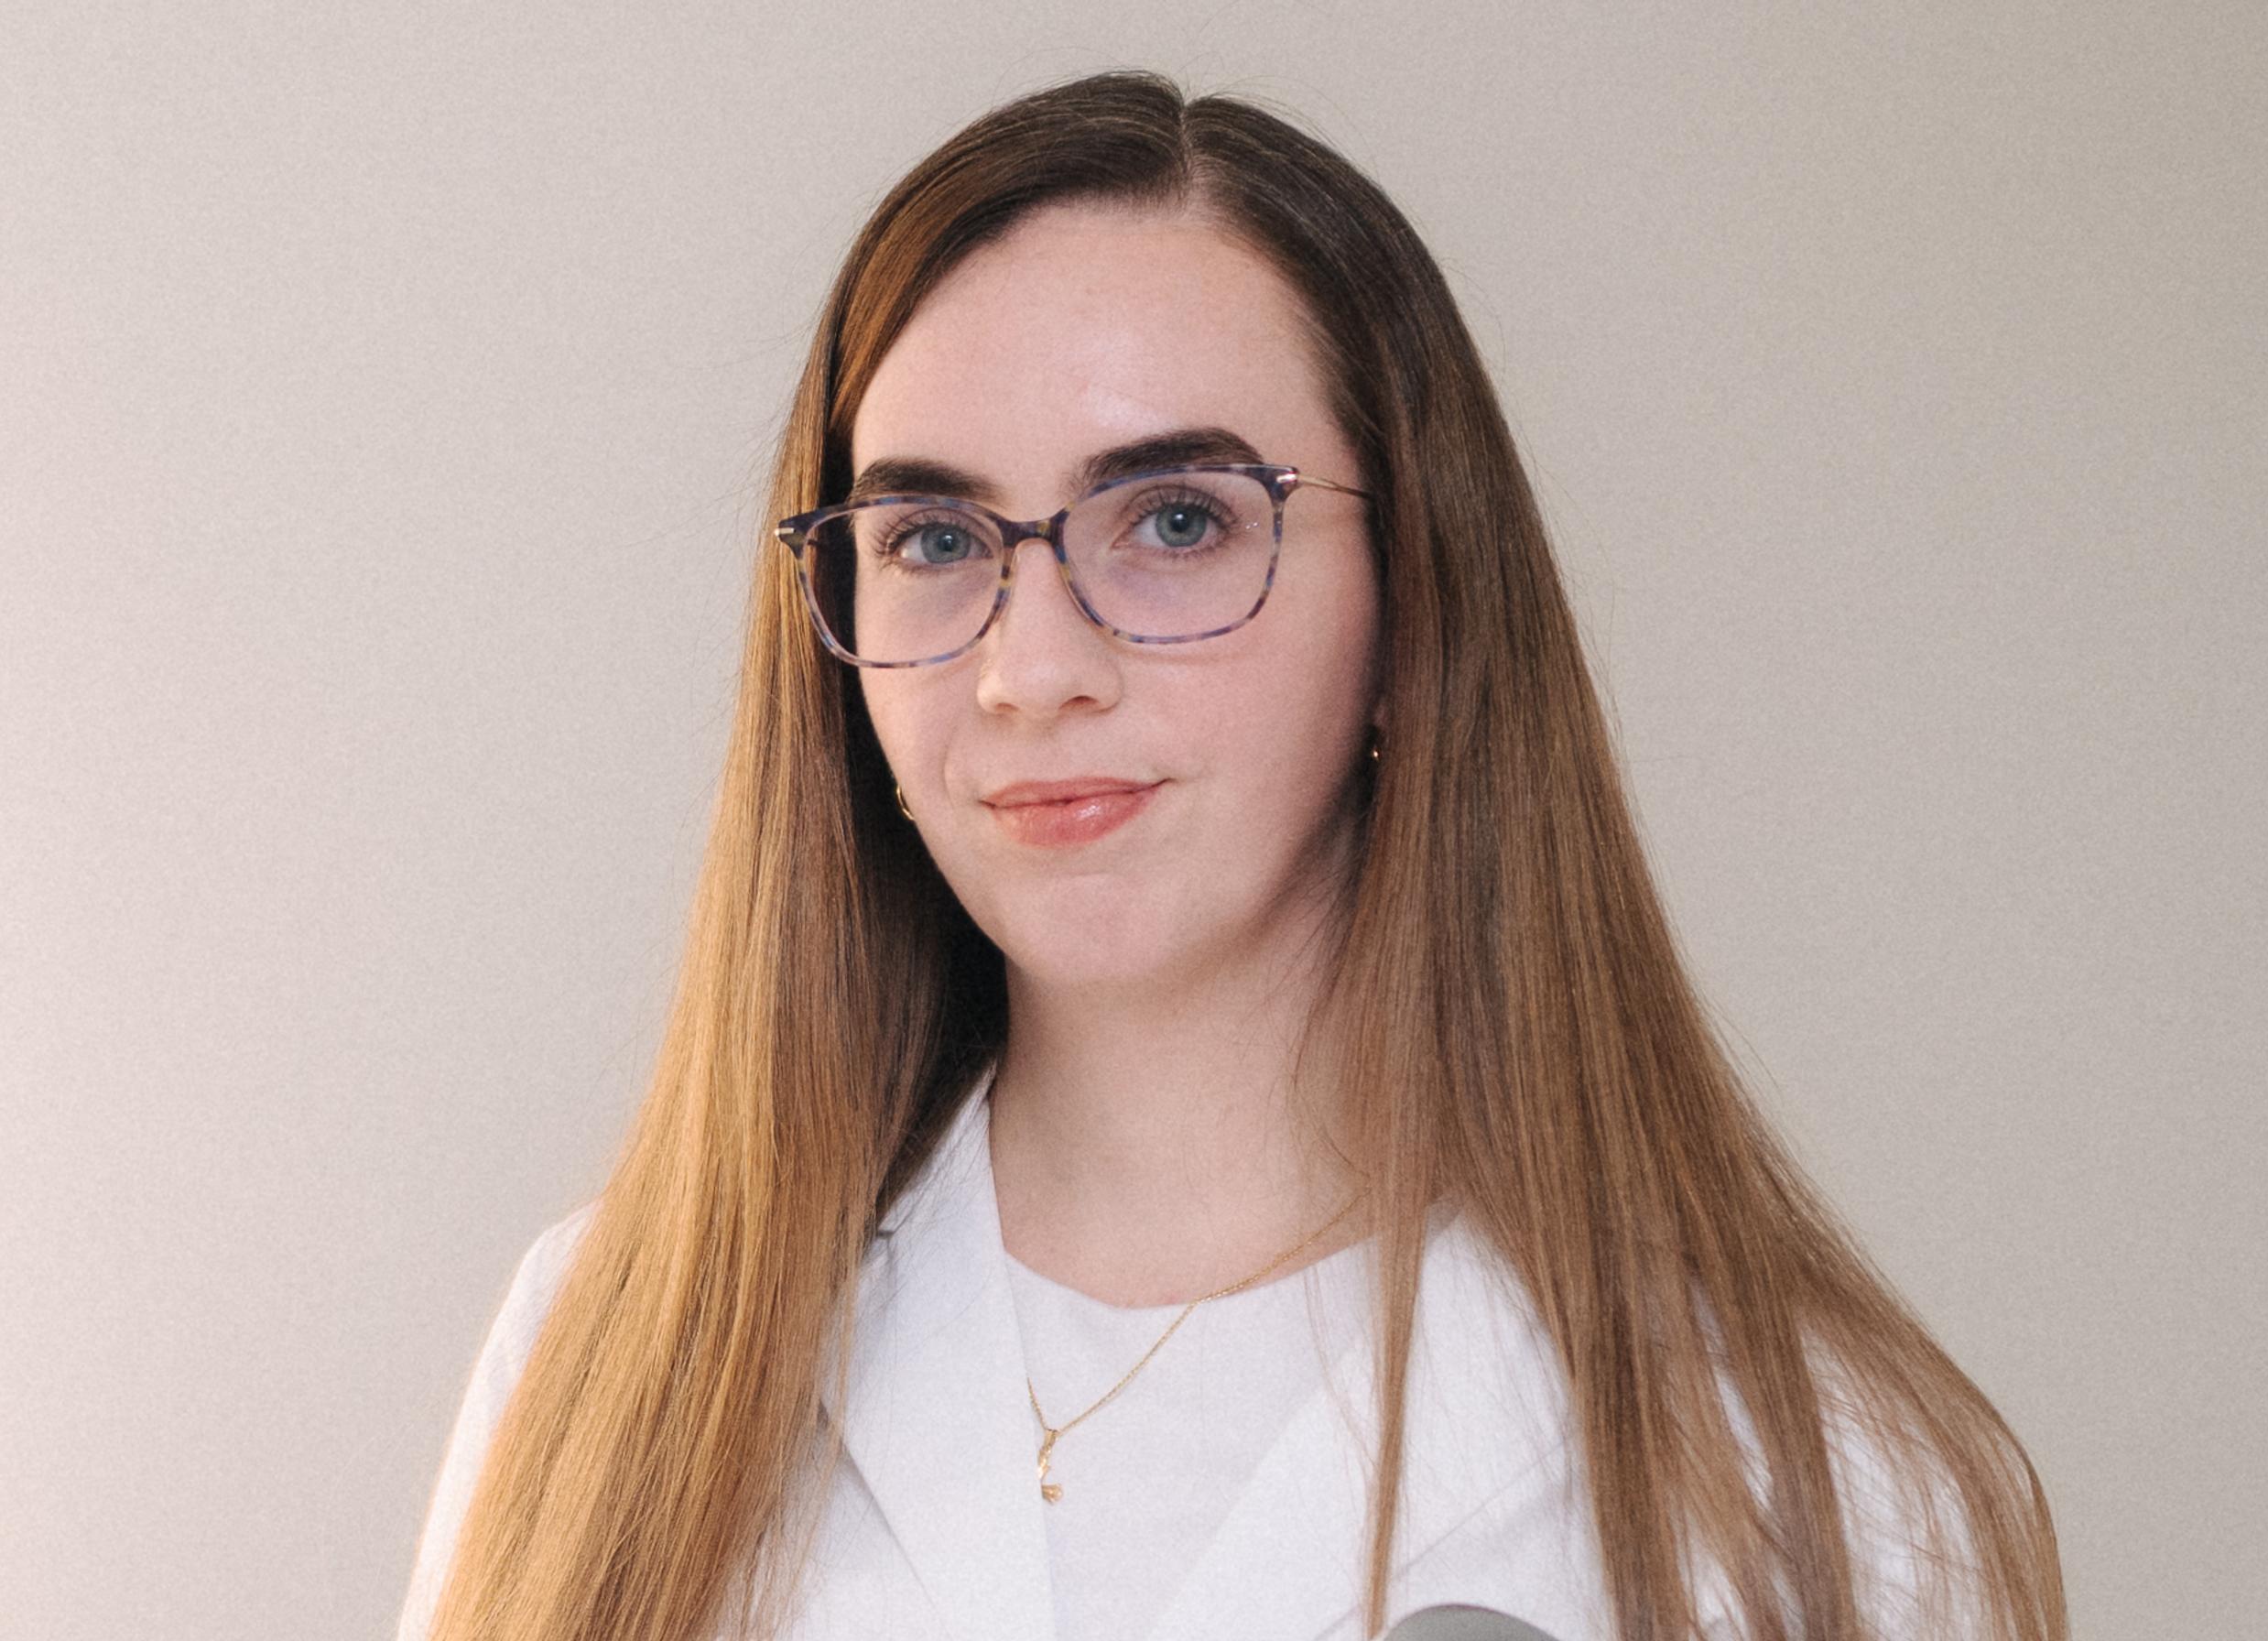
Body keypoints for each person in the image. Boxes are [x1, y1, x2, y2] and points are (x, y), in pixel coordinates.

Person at [396, 69, 2067, 1641]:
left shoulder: (1814, 1478)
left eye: (1180, 520)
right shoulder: (611, 1360)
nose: (1028, 668)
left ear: (1418, 606)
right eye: (929, 539)